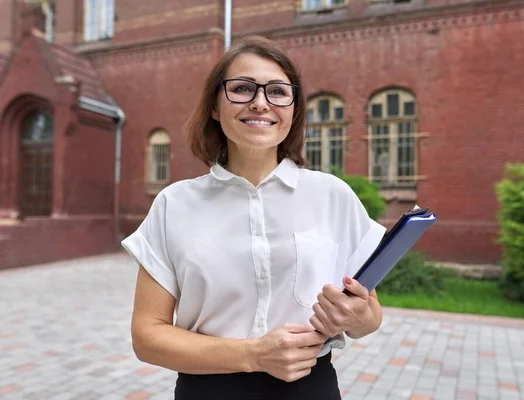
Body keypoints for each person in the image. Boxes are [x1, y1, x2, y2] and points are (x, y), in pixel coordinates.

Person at [121, 35, 387, 400]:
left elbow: (370, 314)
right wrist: (254, 354)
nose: (260, 103)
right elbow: (147, 336)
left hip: (310, 389)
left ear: (293, 108)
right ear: (215, 105)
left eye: (277, 91)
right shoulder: (174, 204)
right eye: (243, 88)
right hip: (207, 390)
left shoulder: (333, 196)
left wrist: (357, 319)